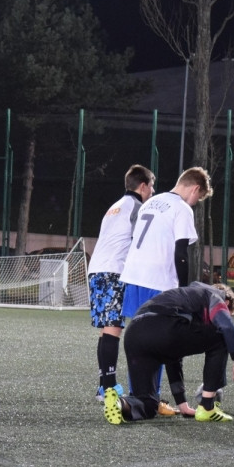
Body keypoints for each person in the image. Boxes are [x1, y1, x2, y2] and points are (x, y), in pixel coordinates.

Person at [118, 166, 213, 414]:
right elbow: (181, 254)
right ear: (195, 188)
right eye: (198, 198)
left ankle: (136, 394)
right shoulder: (181, 208)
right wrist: (184, 289)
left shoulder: (152, 201)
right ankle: (152, 397)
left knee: (138, 337)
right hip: (157, 280)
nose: (195, 203)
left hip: (133, 275)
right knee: (160, 339)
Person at [103, 281, 234, 424]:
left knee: (147, 403)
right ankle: (207, 407)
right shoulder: (216, 296)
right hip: (163, 326)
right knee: (222, 337)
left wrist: (182, 405)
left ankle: (119, 404)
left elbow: (173, 356)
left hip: (134, 334)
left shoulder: (185, 297)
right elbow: (227, 327)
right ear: (227, 302)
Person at [87, 164, 155, 401]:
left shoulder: (113, 207)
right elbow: (140, 241)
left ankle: (103, 385)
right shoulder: (138, 206)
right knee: (113, 329)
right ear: (143, 185)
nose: (153, 191)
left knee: (106, 329)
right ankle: (109, 389)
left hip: (96, 269)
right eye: (152, 186)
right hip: (114, 271)